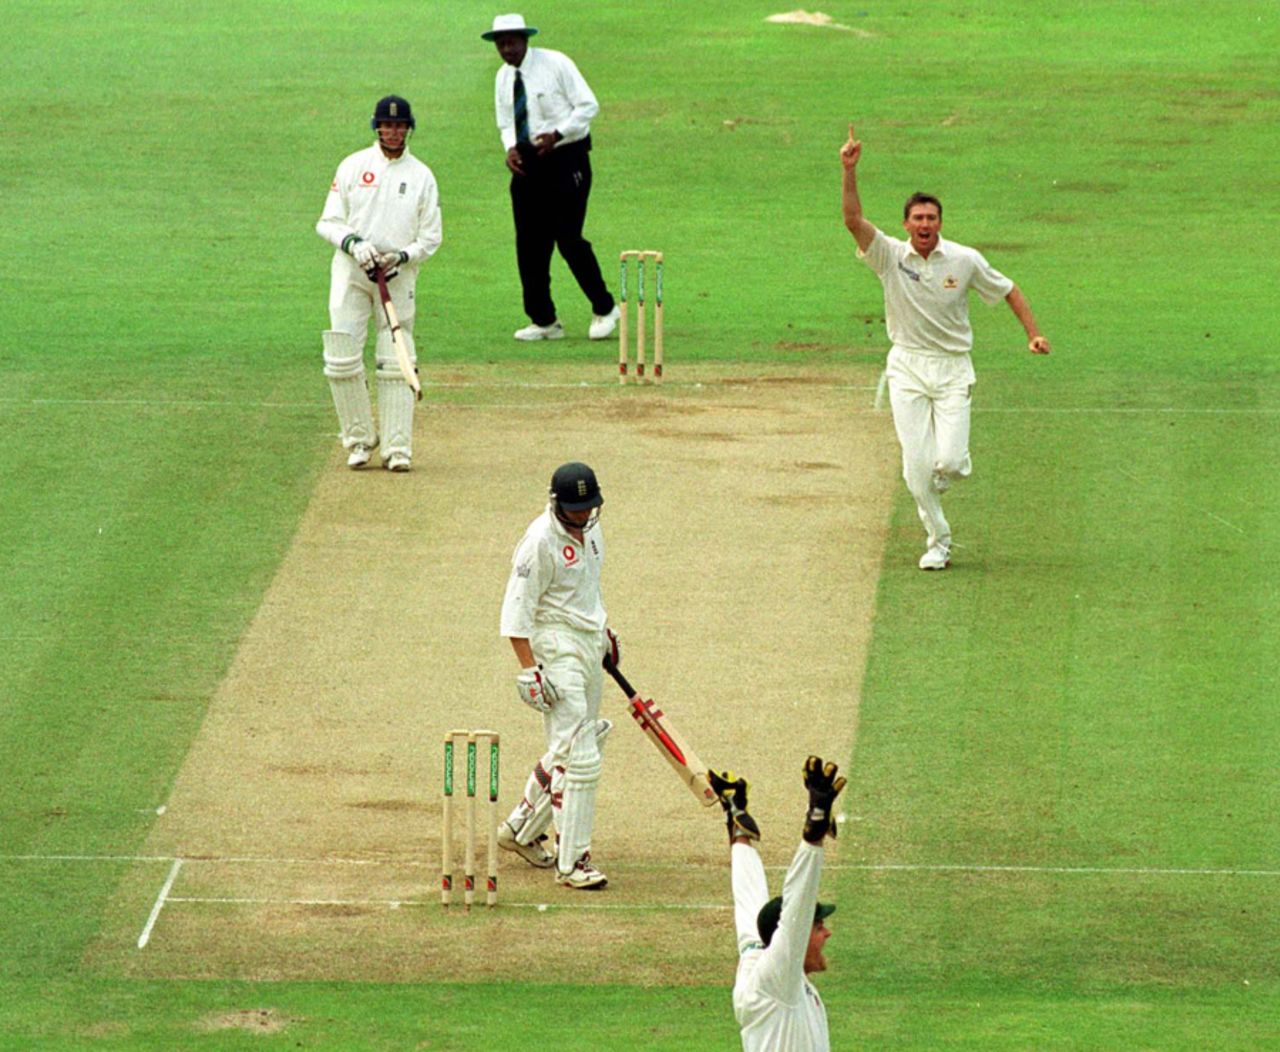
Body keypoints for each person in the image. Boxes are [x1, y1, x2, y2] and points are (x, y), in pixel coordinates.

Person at [840, 122, 1051, 569]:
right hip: (908, 368)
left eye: (931, 218)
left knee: (950, 463)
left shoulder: (964, 259)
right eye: (917, 218)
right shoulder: (889, 256)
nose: (924, 225)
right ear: (906, 224)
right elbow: (852, 221)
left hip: (953, 366)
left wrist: (1032, 332)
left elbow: (1009, 289)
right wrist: (849, 169)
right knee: (917, 471)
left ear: (940, 223)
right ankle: (938, 540)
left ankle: (948, 465)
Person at [498, 462, 620, 889]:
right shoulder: (538, 541)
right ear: (556, 503)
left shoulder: (592, 530)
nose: (583, 516)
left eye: (589, 508)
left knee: (581, 741)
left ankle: (521, 829)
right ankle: (574, 862)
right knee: (578, 755)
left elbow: (588, 588)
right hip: (553, 643)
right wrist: (529, 669)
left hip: (587, 642)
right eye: (575, 509)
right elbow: (516, 613)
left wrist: (603, 634)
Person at [315, 95, 442, 472]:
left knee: (394, 359)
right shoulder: (354, 165)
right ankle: (357, 440)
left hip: (396, 277)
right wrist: (355, 245)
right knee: (341, 357)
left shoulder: (421, 176)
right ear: (377, 128)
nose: (393, 132)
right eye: (387, 126)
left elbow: (431, 238)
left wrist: (400, 257)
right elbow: (328, 222)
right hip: (352, 272)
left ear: (409, 129)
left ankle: (397, 448)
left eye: (400, 126)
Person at [482, 14, 619, 342]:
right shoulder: (503, 77)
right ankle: (544, 320)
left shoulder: (556, 64)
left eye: (512, 42)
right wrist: (510, 149)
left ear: (525, 39)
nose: (507, 49)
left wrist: (558, 134)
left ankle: (605, 307)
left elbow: (588, 106)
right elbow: (506, 123)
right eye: (501, 44)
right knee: (529, 244)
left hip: (566, 157)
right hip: (529, 164)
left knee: (568, 238)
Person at [710, 757, 847, 1052]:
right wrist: (812, 840)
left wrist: (738, 825)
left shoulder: (757, 961)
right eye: (819, 926)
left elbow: (749, 901)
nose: (827, 934)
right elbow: (797, 907)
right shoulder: (777, 982)